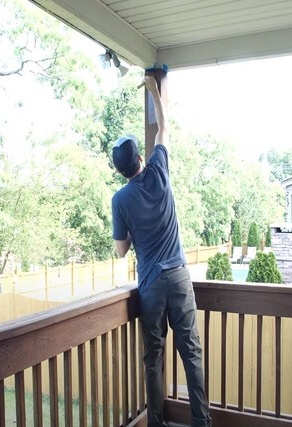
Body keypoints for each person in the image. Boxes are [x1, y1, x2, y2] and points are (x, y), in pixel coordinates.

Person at [111, 74, 211, 427]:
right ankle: (201, 422)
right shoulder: (159, 169)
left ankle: (155, 423)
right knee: (192, 353)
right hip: (180, 278)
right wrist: (155, 90)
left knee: (153, 358)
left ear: (120, 170)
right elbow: (164, 127)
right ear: (141, 157)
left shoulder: (120, 199)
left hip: (151, 284)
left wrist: (130, 232)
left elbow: (122, 250)